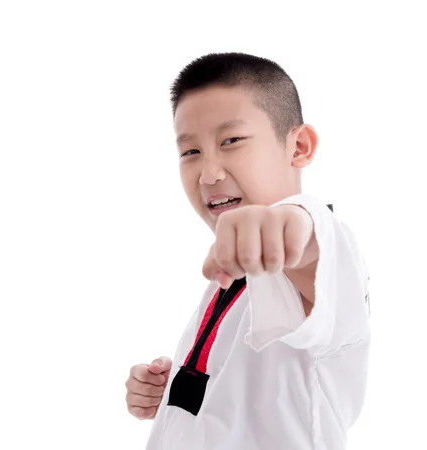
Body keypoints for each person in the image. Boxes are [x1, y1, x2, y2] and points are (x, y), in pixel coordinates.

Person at [124, 52, 371, 450]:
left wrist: (290, 218)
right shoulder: (230, 269)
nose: (208, 173)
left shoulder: (327, 251)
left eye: (231, 141)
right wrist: (169, 388)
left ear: (300, 147)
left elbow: (308, 237)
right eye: (191, 152)